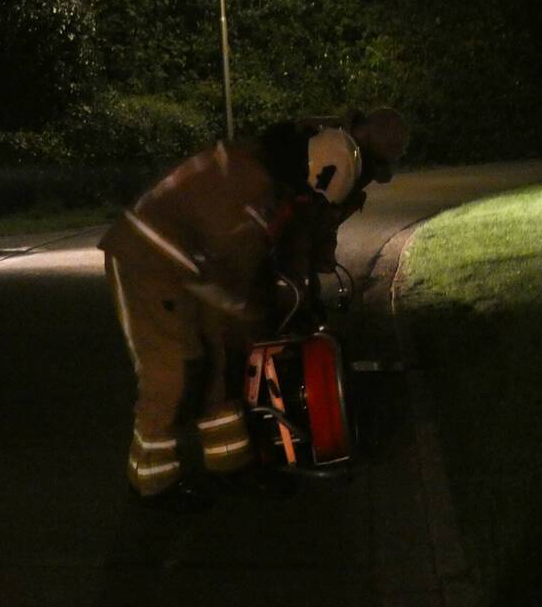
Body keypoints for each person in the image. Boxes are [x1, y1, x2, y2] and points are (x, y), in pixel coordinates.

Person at [99, 108, 408, 512]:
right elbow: (239, 275)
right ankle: (152, 485)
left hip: (197, 262)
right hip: (149, 259)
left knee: (221, 360)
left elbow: (289, 243)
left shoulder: (294, 170)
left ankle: (229, 462)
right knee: (173, 371)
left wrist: (291, 296)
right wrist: (258, 314)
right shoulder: (252, 186)